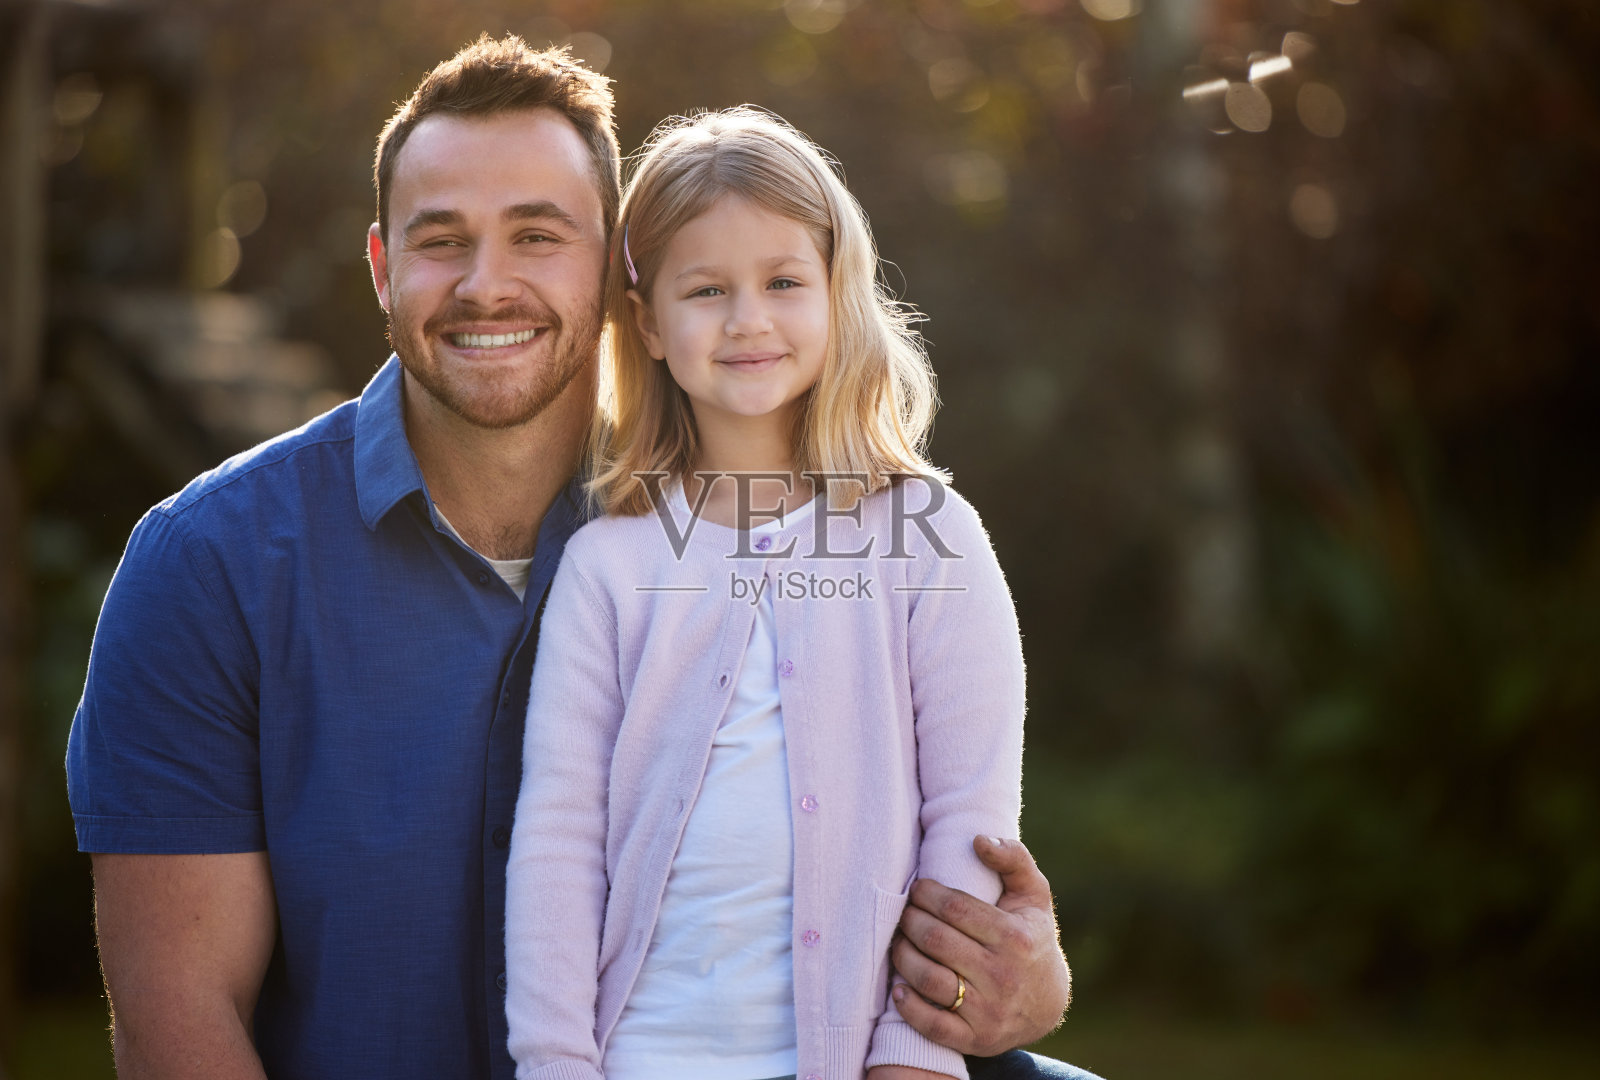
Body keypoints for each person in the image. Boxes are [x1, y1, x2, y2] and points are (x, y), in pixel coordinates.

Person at [65, 35, 1083, 1080]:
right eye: (441, 240)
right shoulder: (210, 566)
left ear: (611, 275)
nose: (486, 284)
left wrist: (1019, 985)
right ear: (382, 268)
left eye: (537, 236)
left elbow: (918, 839)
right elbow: (177, 1025)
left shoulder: (727, 527)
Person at [505, 105, 1046, 1080]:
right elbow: (557, 839)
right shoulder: (608, 566)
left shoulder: (928, 539)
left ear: (837, 296)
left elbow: (968, 820)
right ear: (651, 326)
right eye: (706, 289)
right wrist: (554, 1064)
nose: (747, 318)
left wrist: (913, 1055)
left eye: (784, 282)